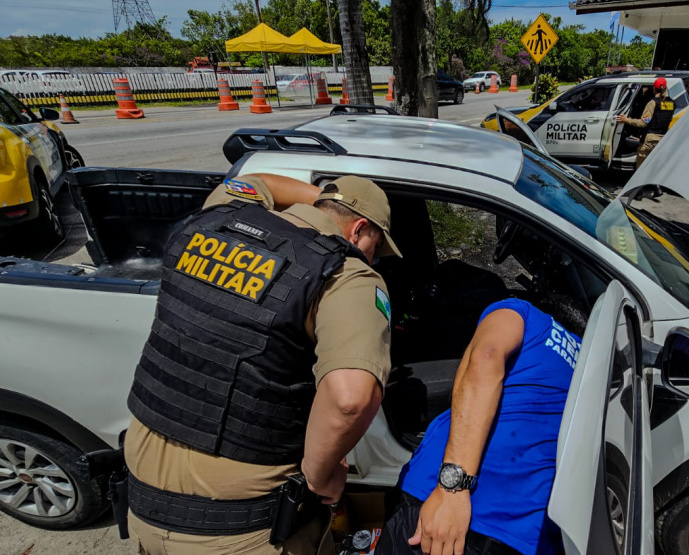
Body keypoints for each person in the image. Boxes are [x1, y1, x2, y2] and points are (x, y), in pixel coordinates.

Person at [123, 172, 402, 555]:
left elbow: (255, 182)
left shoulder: (215, 216)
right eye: (376, 246)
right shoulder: (345, 276)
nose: (373, 258)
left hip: (142, 501)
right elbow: (349, 399)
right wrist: (321, 478)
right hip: (240, 530)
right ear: (359, 230)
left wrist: (325, 197)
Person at [376, 296, 589, 555]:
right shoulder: (592, 373)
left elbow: (487, 355)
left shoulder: (526, 314)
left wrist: (453, 488)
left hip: (443, 510)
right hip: (526, 537)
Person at [616, 77, 676, 170]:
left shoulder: (653, 103)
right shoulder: (672, 103)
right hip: (663, 140)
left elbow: (643, 123)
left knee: (641, 170)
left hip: (649, 141)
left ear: (654, 89)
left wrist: (626, 120)